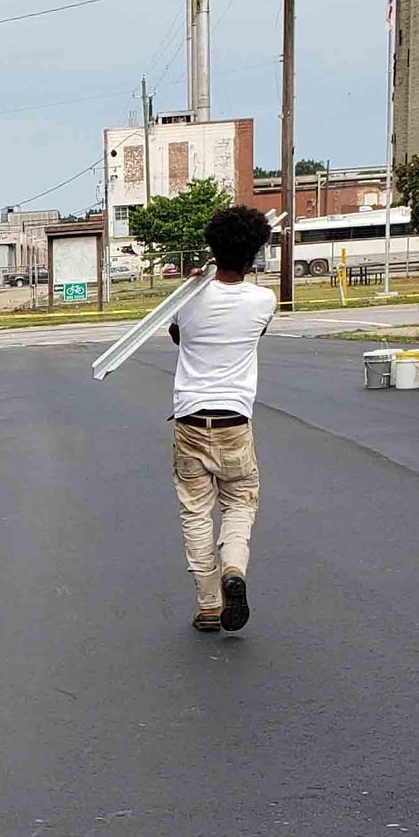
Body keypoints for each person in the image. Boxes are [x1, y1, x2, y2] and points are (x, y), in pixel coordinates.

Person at [167, 203, 276, 632]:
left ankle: (210, 603)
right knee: (239, 502)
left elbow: (178, 335)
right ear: (254, 255)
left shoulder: (187, 298)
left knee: (195, 513)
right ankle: (234, 568)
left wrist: (193, 289)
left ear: (212, 246)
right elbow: (258, 333)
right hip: (235, 421)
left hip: (190, 419)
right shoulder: (263, 301)